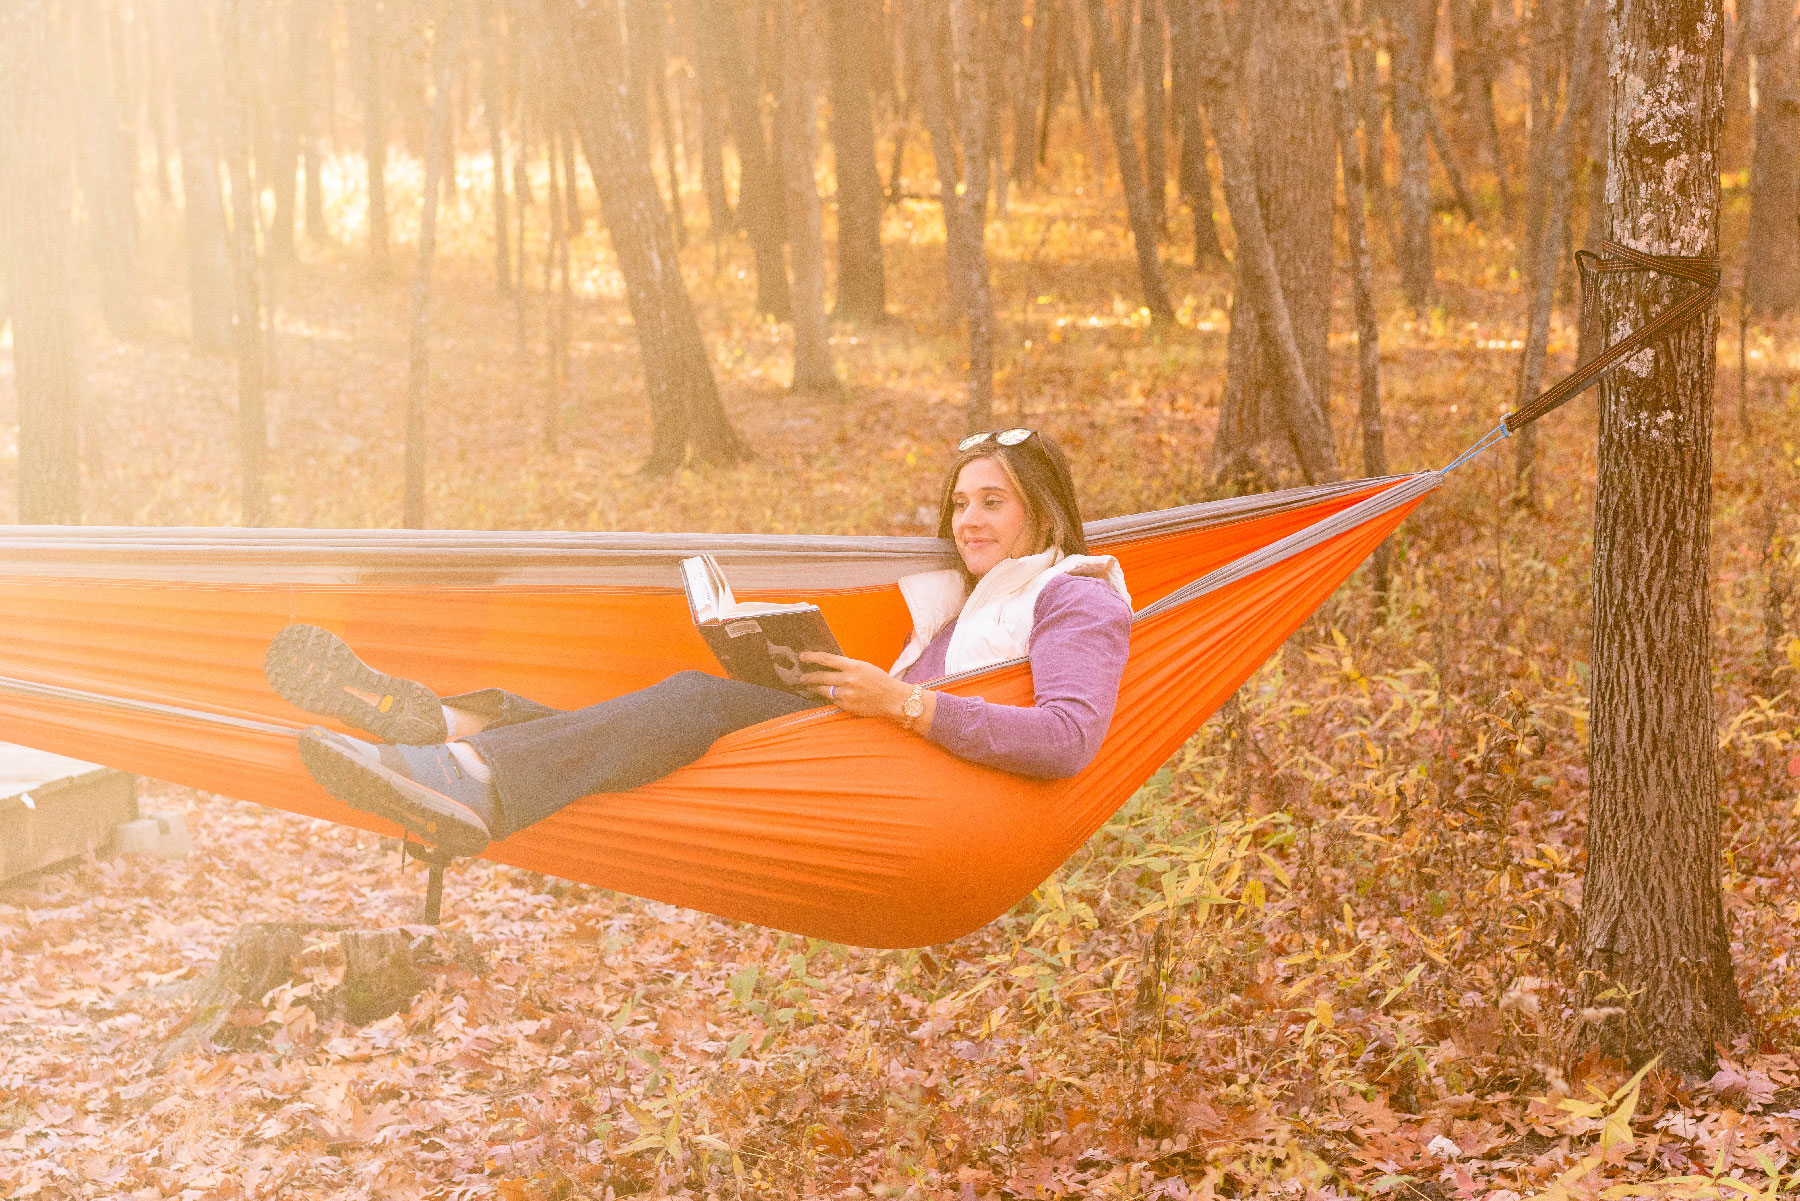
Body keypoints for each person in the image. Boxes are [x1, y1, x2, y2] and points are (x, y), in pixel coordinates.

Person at [272, 429, 1133, 857]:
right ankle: (454, 734)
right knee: (655, 724)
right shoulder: (978, 592)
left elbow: (1068, 738)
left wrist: (901, 700)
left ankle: (475, 776)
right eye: (960, 504)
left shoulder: (1076, 598)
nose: (969, 521)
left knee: (688, 704)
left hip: (911, 780)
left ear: (1042, 510)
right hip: (868, 742)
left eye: (993, 501)